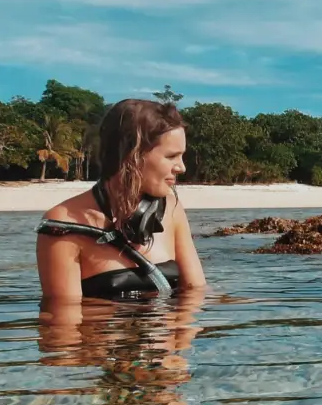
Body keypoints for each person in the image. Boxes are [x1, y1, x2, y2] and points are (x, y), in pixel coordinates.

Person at [35, 98, 206, 301]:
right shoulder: (63, 224)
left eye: (181, 156)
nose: (182, 168)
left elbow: (196, 294)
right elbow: (64, 321)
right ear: (132, 154)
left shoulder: (171, 208)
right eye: (171, 156)